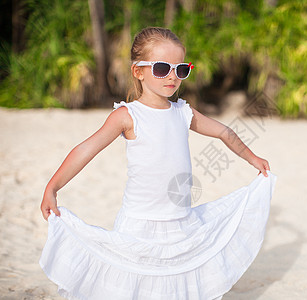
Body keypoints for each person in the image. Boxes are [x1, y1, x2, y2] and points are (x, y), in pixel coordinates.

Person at [39, 26, 277, 300]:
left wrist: (253, 158)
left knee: (174, 285)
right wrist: (53, 186)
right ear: (138, 71)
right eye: (162, 68)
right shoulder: (128, 115)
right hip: (138, 223)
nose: (173, 77)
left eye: (181, 69)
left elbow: (225, 132)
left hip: (180, 222)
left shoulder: (184, 112)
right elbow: (86, 149)